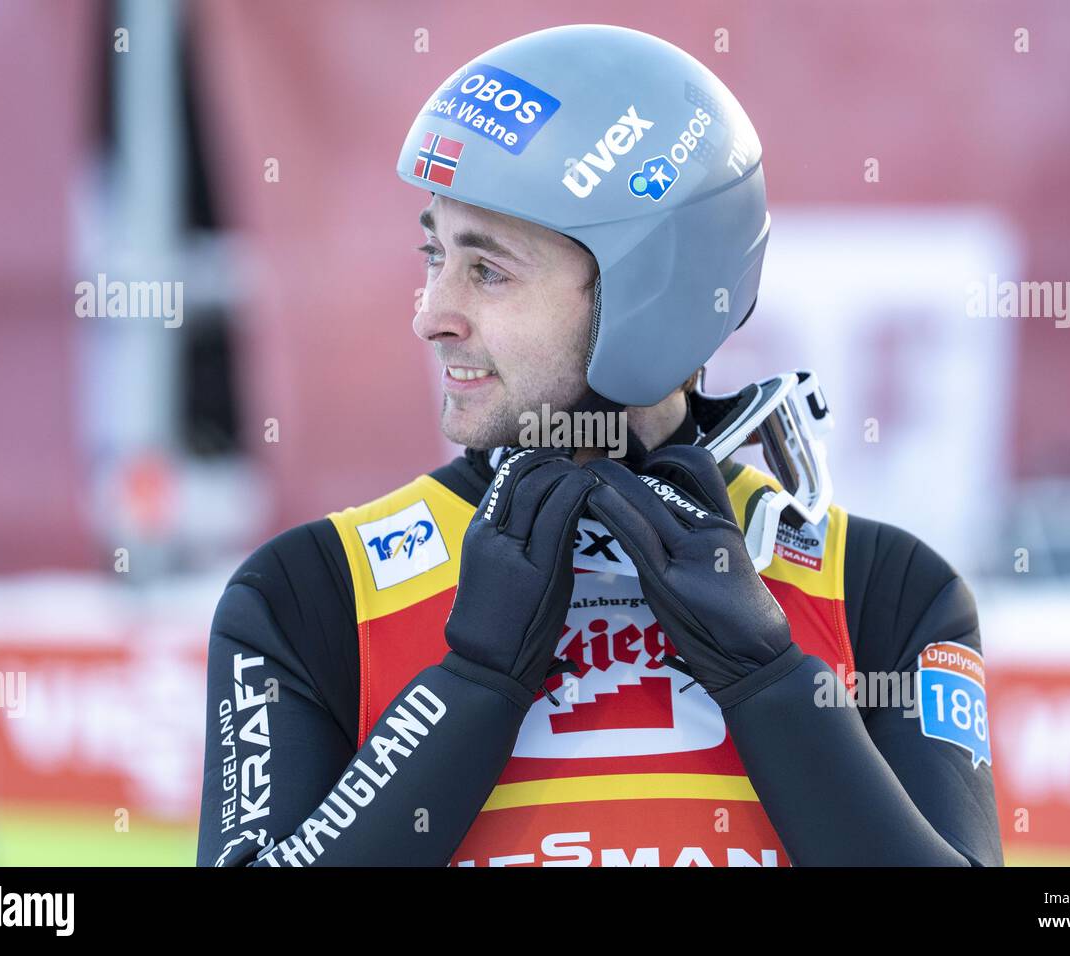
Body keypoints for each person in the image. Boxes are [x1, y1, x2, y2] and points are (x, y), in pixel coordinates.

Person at [196, 24, 1003, 867]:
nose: (431, 313)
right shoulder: (306, 595)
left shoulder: (887, 592)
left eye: (489, 271)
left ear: (653, 287)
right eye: (434, 254)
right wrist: (469, 687)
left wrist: (769, 683)